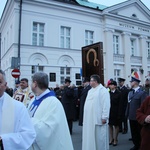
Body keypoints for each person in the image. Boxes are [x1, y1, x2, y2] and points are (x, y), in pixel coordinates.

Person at [28, 72, 73, 150]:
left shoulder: (53, 103)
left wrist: (27, 121)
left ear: (35, 84)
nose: (30, 84)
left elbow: (49, 131)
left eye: (31, 82)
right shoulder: (33, 100)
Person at [0, 69, 36, 150]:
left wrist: (4, 140)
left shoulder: (18, 107)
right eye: (21, 83)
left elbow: (28, 134)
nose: (21, 84)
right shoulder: (17, 92)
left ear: (5, 85)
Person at [82, 74, 110, 150]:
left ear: (95, 81)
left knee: (100, 139)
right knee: (90, 137)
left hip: (98, 119)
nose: (90, 82)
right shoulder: (90, 91)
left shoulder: (103, 90)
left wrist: (105, 116)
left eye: (91, 81)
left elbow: (106, 104)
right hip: (89, 120)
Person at [127, 75, 147, 150]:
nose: (130, 83)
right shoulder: (131, 93)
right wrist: (127, 114)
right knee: (133, 132)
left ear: (135, 82)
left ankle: (141, 145)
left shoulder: (142, 93)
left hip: (138, 117)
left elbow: (143, 106)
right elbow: (128, 105)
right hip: (131, 116)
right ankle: (136, 145)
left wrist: (143, 117)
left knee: (139, 132)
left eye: (131, 82)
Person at [109, 80, 122, 146]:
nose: (110, 86)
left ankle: (115, 139)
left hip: (116, 111)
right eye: (110, 85)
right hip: (109, 111)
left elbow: (120, 104)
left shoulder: (119, 93)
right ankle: (111, 139)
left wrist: (119, 113)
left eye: (112, 85)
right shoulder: (108, 93)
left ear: (115, 86)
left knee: (116, 125)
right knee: (110, 125)